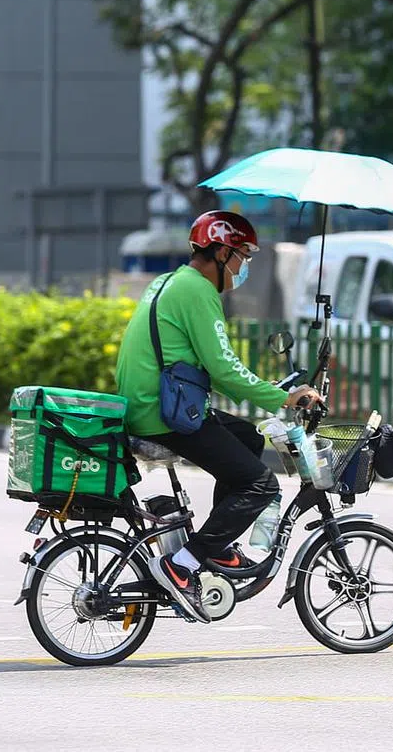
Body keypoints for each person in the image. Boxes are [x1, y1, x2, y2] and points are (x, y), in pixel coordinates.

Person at [115, 210, 323, 623]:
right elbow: (224, 368)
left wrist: (267, 391)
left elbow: (210, 368)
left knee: (247, 438)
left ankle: (218, 546)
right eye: (243, 256)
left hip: (151, 404)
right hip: (165, 414)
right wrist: (285, 398)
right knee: (260, 485)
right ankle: (183, 564)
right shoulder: (197, 291)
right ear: (222, 253)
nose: (244, 266)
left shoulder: (170, 282)